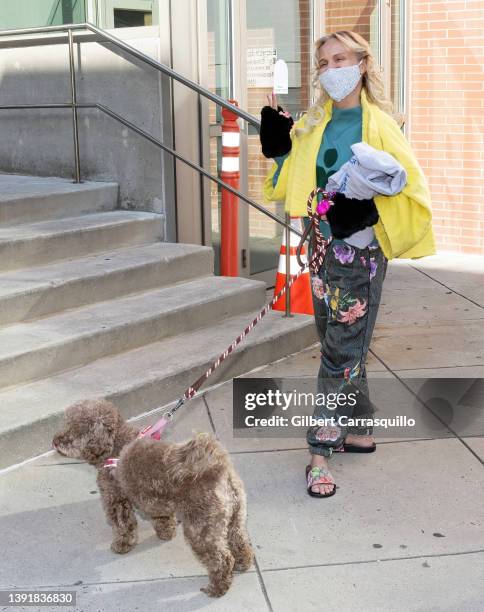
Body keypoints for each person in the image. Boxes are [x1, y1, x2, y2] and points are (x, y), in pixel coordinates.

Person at [260, 30, 436, 498]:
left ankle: (320, 452)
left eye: (340, 58)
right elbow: (290, 182)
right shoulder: (314, 123)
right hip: (318, 242)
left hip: (359, 250)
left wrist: (371, 209)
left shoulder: (381, 123)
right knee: (337, 338)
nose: (331, 68)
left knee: (341, 345)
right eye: (323, 62)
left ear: (361, 63)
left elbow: (411, 190)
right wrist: (279, 147)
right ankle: (358, 428)